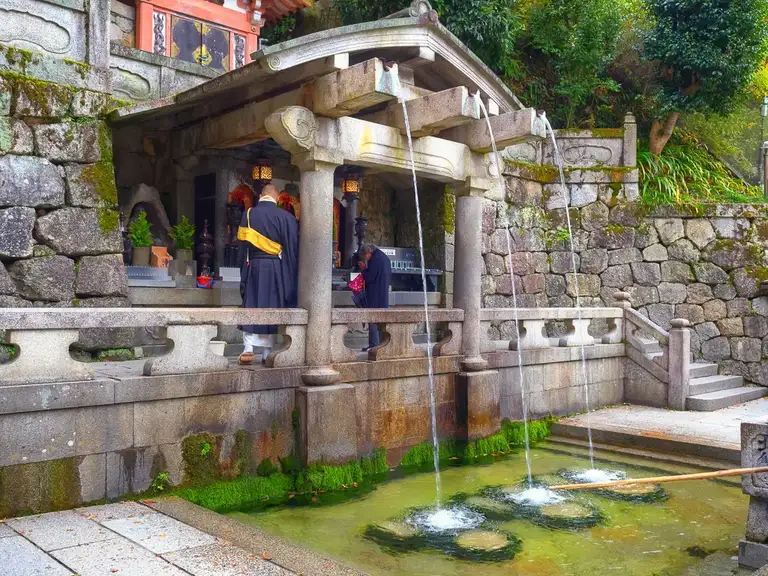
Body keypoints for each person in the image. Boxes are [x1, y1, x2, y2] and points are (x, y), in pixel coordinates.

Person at [237, 183, 299, 365]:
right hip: (275, 268)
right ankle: (267, 351)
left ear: (260, 196)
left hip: (254, 266)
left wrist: (244, 272)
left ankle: (248, 348)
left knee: (251, 304)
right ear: (277, 197)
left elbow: (242, 250)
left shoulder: (248, 214)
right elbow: (292, 250)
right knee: (272, 305)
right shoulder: (286, 217)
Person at [358, 243, 392, 350]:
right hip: (383, 293)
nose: (365, 258)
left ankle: (374, 345)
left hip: (374, 294)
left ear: (368, 252)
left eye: (365, 256)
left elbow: (370, 277)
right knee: (381, 320)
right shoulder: (384, 257)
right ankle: (382, 344)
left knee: (372, 319)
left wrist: (363, 270)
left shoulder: (374, 260)